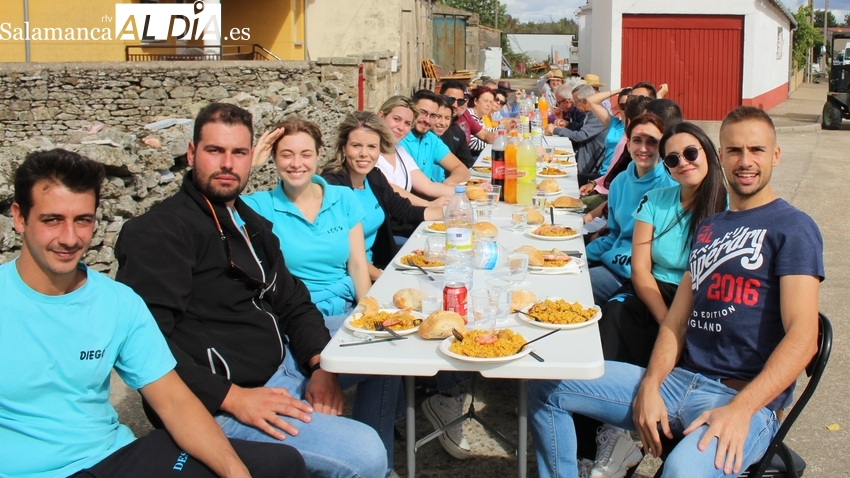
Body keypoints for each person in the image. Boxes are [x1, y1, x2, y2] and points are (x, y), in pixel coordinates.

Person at [528, 105, 823, 478]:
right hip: (678, 382)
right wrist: (651, 383)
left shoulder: (793, 227)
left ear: (775, 156)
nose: (745, 161)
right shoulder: (710, 229)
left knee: (682, 471)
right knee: (545, 382)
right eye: (734, 150)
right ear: (722, 156)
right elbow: (677, 321)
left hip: (743, 400)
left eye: (757, 150)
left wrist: (742, 408)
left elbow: (804, 335)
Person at [114, 103, 390, 478]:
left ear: (250, 159)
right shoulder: (161, 232)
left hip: (288, 363)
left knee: (388, 345)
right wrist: (233, 398)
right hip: (226, 402)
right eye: (215, 151)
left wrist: (319, 362)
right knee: (365, 453)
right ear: (192, 153)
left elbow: (293, 300)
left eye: (239, 153)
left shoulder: (249, 221)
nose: (228, 163)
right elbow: (145, 346)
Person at [1, 148, 307, 478]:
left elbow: (174, 401)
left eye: (83, 220)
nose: (70, 238)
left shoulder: (118, 302)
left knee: (282, 465)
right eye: (52, 220)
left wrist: (235, 472)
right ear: (19, 217)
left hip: (115, 457)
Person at [585, 123, 728, 478]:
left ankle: (623, 432)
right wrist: (666, 319)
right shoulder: (656, 201)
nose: (683, 163)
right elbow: (641, 269)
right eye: (673, 159)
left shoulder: (724, 206)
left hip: (698, 297)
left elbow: (705, 276)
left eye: (690, 153)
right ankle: (608, 435)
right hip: (655, 291)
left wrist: (675, 322)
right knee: (612, 316)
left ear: (708, 153)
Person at [242, 117, 370, 320]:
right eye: (286, 155)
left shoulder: (343, 198)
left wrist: (367, 317)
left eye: (306, 154)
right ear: (273, 157)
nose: (296, 164)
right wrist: (249, 165)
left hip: (346, 308)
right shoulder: (259, 206)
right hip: (294, 315)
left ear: (318, 154)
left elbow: (357, 265)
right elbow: (209, 205)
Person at [323, 110, 444, 279]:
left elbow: (404, 210)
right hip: (349, 275)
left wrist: (449, 213)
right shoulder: (332, 187)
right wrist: (384, 277)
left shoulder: (374, 177)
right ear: (344, 147)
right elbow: (343, 252)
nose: (364, 154)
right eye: (356, 145)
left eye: (372, 146)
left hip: (377, 265)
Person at [585, 113, 677, 305]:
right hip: (611, 263)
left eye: (652, 141)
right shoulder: (619, 182)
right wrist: (581, 255)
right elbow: (614, 235)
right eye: (637, 140)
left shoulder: (670, 188)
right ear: (628, 145)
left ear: (662, 146)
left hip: (635, 276)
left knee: (574, 289)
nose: (643, 148)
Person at [374, 95, 457, 202]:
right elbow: (390, 190)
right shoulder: (370, 151)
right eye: (396, 119)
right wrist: (429, 206)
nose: (401, 127)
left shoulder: (399, 151)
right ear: (381, 116)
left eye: (407, 123)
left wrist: (465, 192)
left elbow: (428, 186)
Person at [400, 89, 471, 184]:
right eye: (422, 112)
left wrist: (448, 183)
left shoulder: (431, 139)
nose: (427, 120)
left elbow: (461, 169)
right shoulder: (400, 138)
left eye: (433, 115)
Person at [546, 83, 607, 182]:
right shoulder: (590, 112)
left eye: (576, 102)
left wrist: (555, 130)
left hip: (591, 167)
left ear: (585, 101)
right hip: (585, 158)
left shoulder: (598, 115)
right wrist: (567, 124)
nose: (574, 105)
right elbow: (581, 128)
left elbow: (581, 135)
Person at [433, 94, 475, 168]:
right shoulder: (427, 138)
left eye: (447, 118)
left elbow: (466, 163)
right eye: (438, 116)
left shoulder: (457, 131)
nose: (442, 123)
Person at [465, 85, 500, 157]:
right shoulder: (469, 115)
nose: (488, 105)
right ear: (475, 101)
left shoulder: (479, 117)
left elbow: (486, 131)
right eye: (485, 101)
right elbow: (474, 144)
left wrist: (503, 129)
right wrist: (498, 141)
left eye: (491, 102)